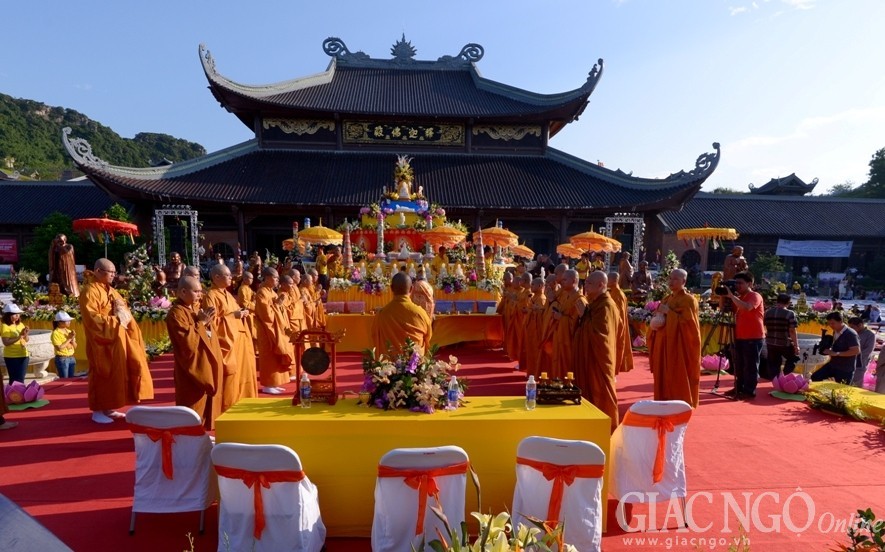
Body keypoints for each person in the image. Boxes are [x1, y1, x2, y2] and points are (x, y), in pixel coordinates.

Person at [80, 258, 154, 424]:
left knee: (116, 375)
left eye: (114, 272)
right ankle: (97, 409)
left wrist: (123, 313)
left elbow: (125, 313)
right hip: (101, 342)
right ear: (98, 271)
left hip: (116, 340)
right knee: (102, 374)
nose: (113, 275)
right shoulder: (89, 291)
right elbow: (92, 319)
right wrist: (116, 320)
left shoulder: (112, 291)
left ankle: (109, 408)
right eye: (110, 272)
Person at [165, 276, 224, 430]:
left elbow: (208, 334)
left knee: (206, 400)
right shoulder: (176, 313)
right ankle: (189, 435)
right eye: (196, 291)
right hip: (191, 367)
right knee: (191, 400)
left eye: (200, 291)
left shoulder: (197, 309)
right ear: (183, 292)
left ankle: (202, 432)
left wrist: (207, 323)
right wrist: (202, 323)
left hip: (204, 362)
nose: (200, 295)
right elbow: (186, 342)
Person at [203, 264, 257, 410]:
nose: (231, 277)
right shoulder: (211, 296)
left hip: (240, 339)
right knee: (231, 375)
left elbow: (232, 312)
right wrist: (234, 316)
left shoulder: (227, 294)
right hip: (228, 342)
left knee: (244, 372)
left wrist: (240, 313)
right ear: (216, 277)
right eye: (227, 275)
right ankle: (228, 406)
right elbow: (211, 323)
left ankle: (244, 402)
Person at [648, 269, 702, 408]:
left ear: (684, 281)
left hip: (678, 344)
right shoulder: (667, 298)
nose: (671, 282)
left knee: (676, 373)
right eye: (670, 278)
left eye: (675, 279)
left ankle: (680, 402)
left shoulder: (689, 300)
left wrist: (669, 313)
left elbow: (689, 325)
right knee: (663, 374)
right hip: (663, 341)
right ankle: (663, 399)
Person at [574, 272, 618, 432]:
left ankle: (605, 428)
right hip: (589, 357)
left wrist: (584, 314)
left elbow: (601, 336)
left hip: (599, 359)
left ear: (601, 285)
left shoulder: (606, 305)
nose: (586, 286)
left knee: (600, 392)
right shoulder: (594, 303)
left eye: (590, 283)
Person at [721, 272, 765, 399]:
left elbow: (747, 308)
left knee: (750, 366)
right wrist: (724, 297)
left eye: (740, 283)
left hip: (753, 337)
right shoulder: (739, 297)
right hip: (740, 336)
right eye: (736, 283)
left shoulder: (754, 295)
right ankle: (738, 388)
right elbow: (724, 309)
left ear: (749, 283)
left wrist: (732, 296)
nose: (737, 286)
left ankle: (749, 391)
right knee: (739, 365)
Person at [372, 272, 432, 357]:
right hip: (414, 366)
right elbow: (428, 338)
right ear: (411, 289)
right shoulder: (421, 313)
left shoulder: (382, 314)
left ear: (391, 288)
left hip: (389, 367)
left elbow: (375, 337)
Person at [254, 267, 294, 395]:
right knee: (269, 356)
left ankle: (275, 382)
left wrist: (279, 304)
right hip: (267, 331)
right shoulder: (262, 293)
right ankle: (268, 384)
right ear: (266, 278)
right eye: (275, 277)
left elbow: (278, 310)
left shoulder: (272, 292)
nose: (277, 280)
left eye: (278, 278)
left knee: (276, 356)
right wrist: (277, 305)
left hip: (277, 329)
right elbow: (266, 315)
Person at [549, 269, 583, 379]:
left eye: (565, 279)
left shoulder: (580, 300)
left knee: (568, 367)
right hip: (560, 337)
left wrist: (561, 318)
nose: (561, 282)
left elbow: (580, 324)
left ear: (574, 281)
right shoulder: (565, 296)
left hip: (570, 342)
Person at [812, 312, 860, 384]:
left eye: (833, 323)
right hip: (833, 364)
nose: (831, 326)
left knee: (841, 390)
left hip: (845, 368)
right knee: (815, 377)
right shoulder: (836, 331)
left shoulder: (850, 334)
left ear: (840, 321)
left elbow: (856, 351)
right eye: (829, 323)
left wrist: (837, 353)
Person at [763, 293, 800, 377]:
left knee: (773, 364)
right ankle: (785, 376)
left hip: (771, 342)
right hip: (785, 342)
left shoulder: (768, 312)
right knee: (793, 358)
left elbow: (762, 325)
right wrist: (796, 346)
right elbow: (792, 331)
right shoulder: (790, 314)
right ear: (788, 303)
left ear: (777, 301)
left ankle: (775, 381)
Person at [607, 272, 634, 374]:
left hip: (617, 326)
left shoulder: (617, 294)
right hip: (618, 325)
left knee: (617, 348)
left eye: (608, 279)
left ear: (614, 281)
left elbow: (617, 314)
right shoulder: (614, 292)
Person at [520, 277, 547, 377]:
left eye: (533, 285)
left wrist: (533, 311)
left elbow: (543, 315)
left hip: (537, 331)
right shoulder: (534, 297)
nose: (531, 287)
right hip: (531, 329)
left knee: (536, 352)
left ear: (540, 286)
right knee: (530, 351)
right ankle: (531, 372)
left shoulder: (541, 298)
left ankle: (536, 373)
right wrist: (528, 311)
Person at [1, 303, 29, 384]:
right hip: (12, 356)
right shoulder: (5, 326)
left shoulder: (20, 324)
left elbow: (26, 340)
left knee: (21, 378)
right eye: (15, 314)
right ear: (8, 315)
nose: (17, 316)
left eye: (18, 314)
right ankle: (13, 396)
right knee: (15, 379)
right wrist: (19, 336)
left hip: (24, 355)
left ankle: (18, 395)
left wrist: (26, 333)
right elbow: (6, 342)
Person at [847, 317, 875, 387]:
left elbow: (868, 350)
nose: (851, 329)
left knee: (856, 383)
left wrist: (854, 355)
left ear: (860, 325)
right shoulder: (851, 333)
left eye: (853, 327)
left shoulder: (870, 335)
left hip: (860, 362)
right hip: (847, 360)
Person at [48, 233, 79, 297]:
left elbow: (67, 253)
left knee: (67, 283)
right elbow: (51, 256)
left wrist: (59, 246)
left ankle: (71, 295)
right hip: (57, 269)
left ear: (65, 240)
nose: (59, 242)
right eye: (58, 241)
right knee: (56, 283)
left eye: (61, 241)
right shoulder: (55, 248)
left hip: (66, 270)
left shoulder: (69, 246)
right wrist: (53, 247)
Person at [51, 311, 77, 379]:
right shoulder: (55, 333)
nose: (69, 322)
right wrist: (69, 339)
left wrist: (73, 339)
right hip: (62, 359)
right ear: (59, 322)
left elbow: (75, 346)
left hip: (71, 357)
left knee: (71, 380)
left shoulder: (68, 331)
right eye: (67, 321)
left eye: (69, 321)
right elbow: (59, 348)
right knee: (64, 380)